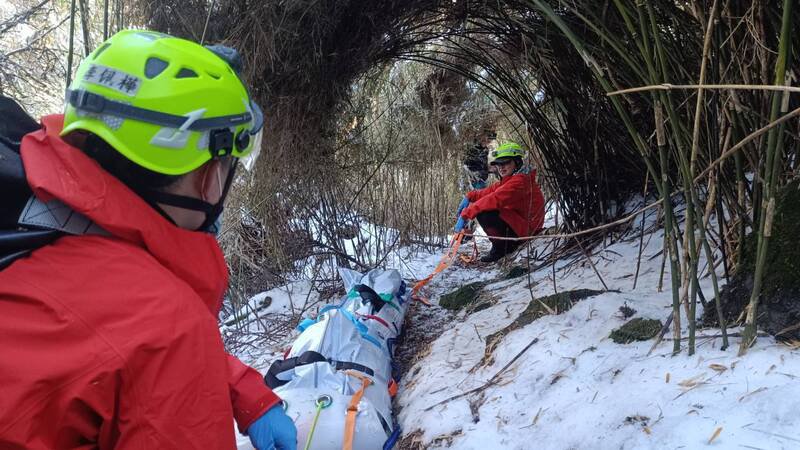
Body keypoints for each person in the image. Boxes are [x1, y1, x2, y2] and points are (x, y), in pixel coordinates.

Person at [0, 30, 296, 449]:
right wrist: (188, 366)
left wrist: (236, 385)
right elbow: (142, 338)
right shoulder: (168, 325)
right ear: (206, 175)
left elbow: (102, 341)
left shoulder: (33, 211)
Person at [460, 141, 545, 263]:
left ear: (516, 162)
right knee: (484, 206)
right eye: (499, 164)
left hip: (528, 230)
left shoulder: (520, 182)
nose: (501, 167)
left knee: (485, 212)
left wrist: (467, 213)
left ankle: (502, 249)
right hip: (522, 224)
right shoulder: (513, 179)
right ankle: (505, 245)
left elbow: (495, 198)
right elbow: (489, 191)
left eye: (506, 162)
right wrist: (470, 196)